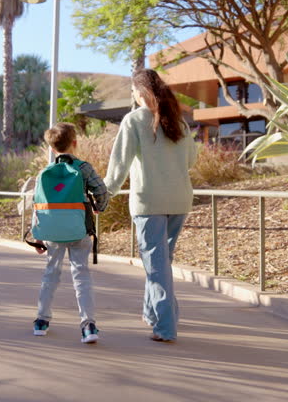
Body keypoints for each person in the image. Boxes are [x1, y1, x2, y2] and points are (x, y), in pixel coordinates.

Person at [104, 69, 196, 342]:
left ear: (140, 92)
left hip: (149, 202)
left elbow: (119, 166)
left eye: (133, 91)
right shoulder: (179, 122)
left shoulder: (133, 120)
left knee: (156, 266)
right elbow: (191, 160)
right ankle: (152, 313)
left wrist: (104, 194)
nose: (132, 95)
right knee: (161, 262)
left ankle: (166, 326)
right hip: (179, 199)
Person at [32, 122, 109, 344]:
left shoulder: (44, 173)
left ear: (52, 147)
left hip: (53, 232)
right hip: (79, 229)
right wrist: (98, 207)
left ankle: (41, 321)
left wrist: (37, 235)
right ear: (74, 143)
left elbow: (37, 204)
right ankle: (88, 325)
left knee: (50, 274)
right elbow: (101, 191)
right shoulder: (83, 167)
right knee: (81, 275)